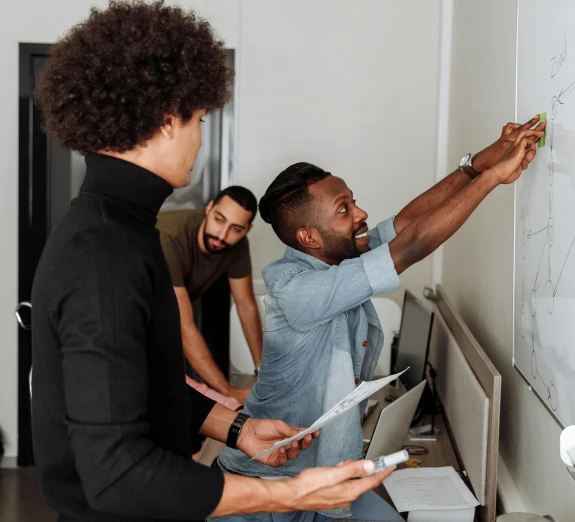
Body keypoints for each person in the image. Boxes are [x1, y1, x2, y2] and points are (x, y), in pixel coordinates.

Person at [30, 3, 393, 521]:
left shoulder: (120, 228)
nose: (201, 138)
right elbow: (118, 476)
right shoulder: (104, 254)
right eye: (199, 119)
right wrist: (290, 493)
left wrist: (237, 427)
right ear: (166, 117)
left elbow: (139, 384)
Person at [213, 117, 546, 521]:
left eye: (352, 201)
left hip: (327, 479)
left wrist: (476, 164)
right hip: (264, 491)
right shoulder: (296, 289)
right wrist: (493, 178)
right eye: (344, 209)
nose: (361, 213)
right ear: (309, 238)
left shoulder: (339, 256)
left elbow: (404, 226)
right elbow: (413, 244)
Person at [158, 185, 263, 405]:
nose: (222, 235)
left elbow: (246, 305)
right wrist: (228, 391)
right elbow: (184, 328)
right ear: (209, 208)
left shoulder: (238, 246)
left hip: (168, 316)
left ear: (247, 230)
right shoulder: (170, 239)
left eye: (236, 229)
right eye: (219, 219)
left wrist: (262, 371)